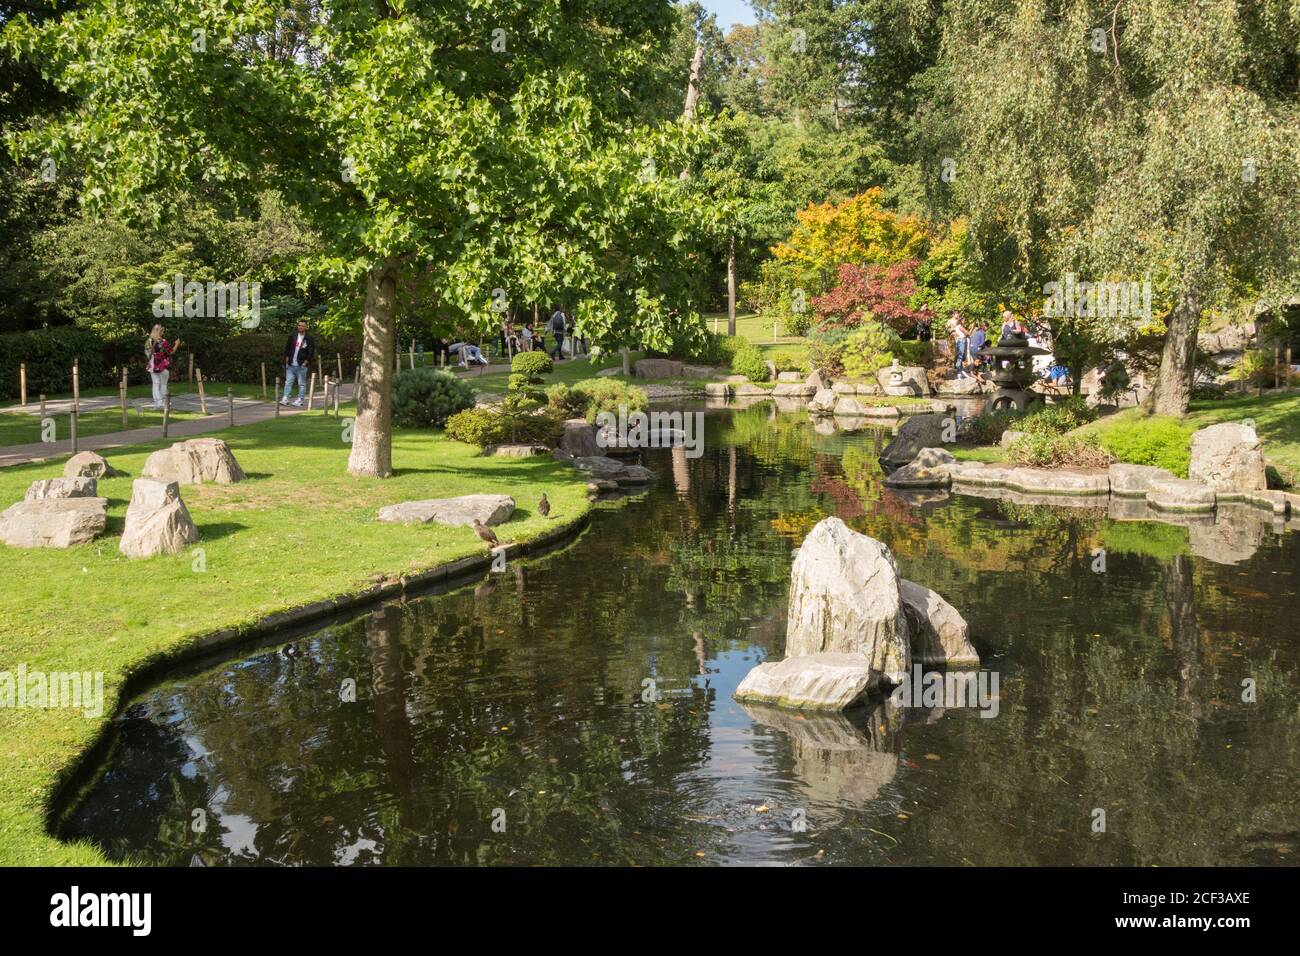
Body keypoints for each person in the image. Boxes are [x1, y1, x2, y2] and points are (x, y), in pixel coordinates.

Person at [145, 324, 181, 409]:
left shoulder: (148, 341)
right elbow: (171, 352)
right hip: (163, 366)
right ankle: (163, 402)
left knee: (155, 384)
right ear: (160, 332)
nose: (163, 332)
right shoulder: (163, 342)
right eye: (162, 331)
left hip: (152, 366)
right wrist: (177, 344)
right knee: (163, 385)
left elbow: (147, 353)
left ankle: (158, 403)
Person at [281, 319, 314, 407]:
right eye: (299, 325)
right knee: (288, 382)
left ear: (306, 327)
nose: (300, 327)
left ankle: (300, 400)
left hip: (301, 365)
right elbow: (287, 348)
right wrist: (287, 360)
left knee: (301, 384)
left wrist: (305, 363)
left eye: (302, 326)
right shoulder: (293, 336)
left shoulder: (309, 338)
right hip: (291, 364)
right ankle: (286, 398)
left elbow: (311, 352)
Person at [948, 311, 969, 379]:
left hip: (959, 341)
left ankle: (961, 370)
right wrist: (973, 327)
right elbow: (968, 333)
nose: (965, 321)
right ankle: (958, 370)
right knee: (960, 356)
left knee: (961, 356)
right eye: (964, 320)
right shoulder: (959, 326)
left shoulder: (958, 325)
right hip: (960, 341)